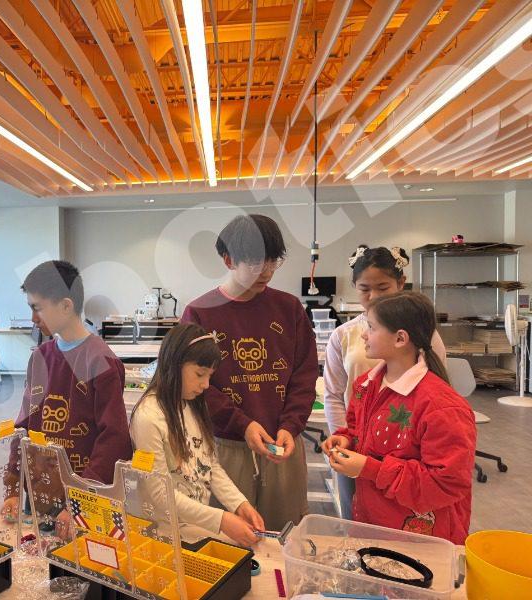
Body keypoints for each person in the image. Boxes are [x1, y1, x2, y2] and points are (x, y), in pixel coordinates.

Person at [181, 214, 317, 530]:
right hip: (225, 446)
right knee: (227, 537)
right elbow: (195, 386)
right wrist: (241, 424)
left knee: (286, 533)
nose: (266, 271)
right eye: (255, 262)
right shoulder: (199, 313)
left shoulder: (289, 309)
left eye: (273, 261)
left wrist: (291, 424)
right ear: (229, 260)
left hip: (283, 444)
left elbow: (304, 374)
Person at [322, 292, 475, 544]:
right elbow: (358, 429)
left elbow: (446, 484)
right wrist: (346, 439)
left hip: (418, 541)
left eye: (371, 328)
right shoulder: (366, 385)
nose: (364, 335)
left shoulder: (441, 407)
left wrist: (370, 469)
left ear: (400, 338)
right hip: (373, 525)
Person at [2, 261, 132, 529]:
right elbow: (23, 426)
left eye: (37, 308)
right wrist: (13, 486)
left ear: (65, 306)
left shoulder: (101, 361)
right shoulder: (40, 357)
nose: (33, 318)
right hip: (39, 495)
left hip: (82, 501)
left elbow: (114, 439)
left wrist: (78, 503)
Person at [324, 245, 446, 519]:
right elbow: (334, 396)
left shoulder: (424, 337)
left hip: (406, 453)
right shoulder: (350, 351)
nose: (374, 296)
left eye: (383, 287)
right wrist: (346, 440)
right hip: (358, 447)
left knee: (403, 520)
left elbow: (443, 482)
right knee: (358, 518)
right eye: (365, 289)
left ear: (401, 283)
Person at [130, 323, 265, 547]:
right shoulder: (148, 416)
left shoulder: (192, 405)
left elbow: (210, 466)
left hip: (193, 528)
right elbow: (160, 494)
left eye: (210, 376)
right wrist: (221, 520)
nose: (206, 385)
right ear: (174, 364)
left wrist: (239, 504)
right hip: (163, 533)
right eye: (200, 374)